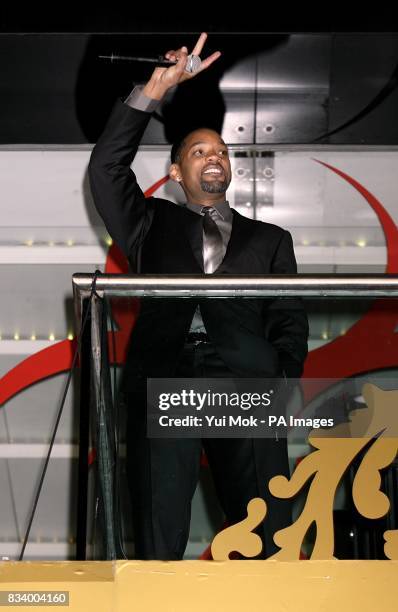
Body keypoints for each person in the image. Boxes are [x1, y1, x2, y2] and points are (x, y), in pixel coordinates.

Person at [88, 33, 308, 560]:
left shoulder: (271, 240)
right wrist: (153, 90)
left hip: (245, 384)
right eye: (200, 150)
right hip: (167, 377)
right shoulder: (149, 226)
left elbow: (289, 318)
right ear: (175, 172)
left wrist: (275, 378)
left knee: (265, 529)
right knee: (159, 527)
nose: (215, 157)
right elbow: (106, 171)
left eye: (223, 152)